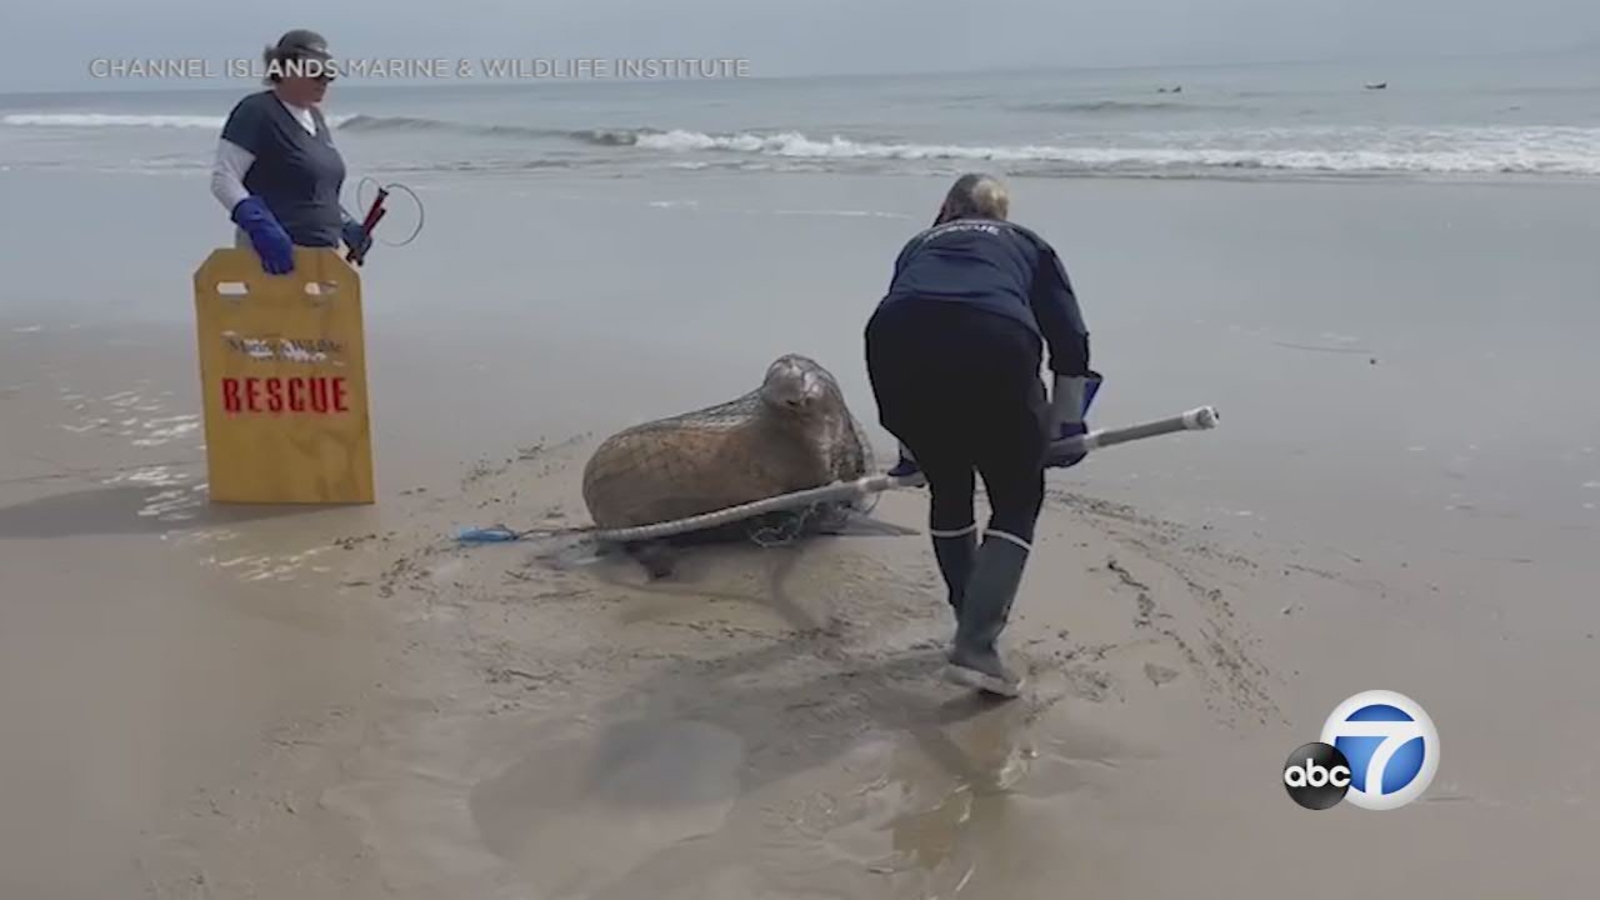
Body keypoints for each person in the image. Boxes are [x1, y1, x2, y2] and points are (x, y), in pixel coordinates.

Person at [864, 173, 1100, 698]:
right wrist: (1065, 427)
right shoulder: (1027, 243)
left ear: (946, 208)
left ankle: (970, 620)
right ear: (1003, 216)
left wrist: (911, 452)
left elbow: (913, 316)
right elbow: (1070, 338)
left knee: (948, 485)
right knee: (1017, 497)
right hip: (993, 335)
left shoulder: (918, 243)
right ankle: (976, 643)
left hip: (891, 339)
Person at [210, 29, 372, 274]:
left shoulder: (316, 119)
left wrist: (345, 224)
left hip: (324, 256)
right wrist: (259, 225)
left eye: (329, 73)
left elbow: (315, 191)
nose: (325, 80)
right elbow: (224, 178)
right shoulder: (257, 111)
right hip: (271, 256)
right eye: (316, 72)